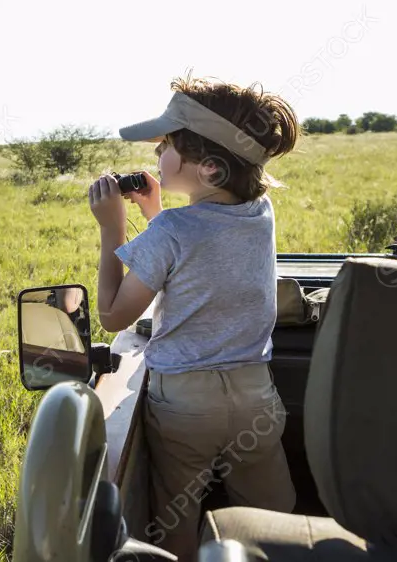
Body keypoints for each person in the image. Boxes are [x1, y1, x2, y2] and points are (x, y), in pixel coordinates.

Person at [87, 75, 299, 559]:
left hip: (184, 404)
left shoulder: (173, 232)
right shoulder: (259, 211)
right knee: (271, 510)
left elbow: (113, 317)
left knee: (174, 514)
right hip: (255, 395)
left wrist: (111, 229)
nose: (158, 153)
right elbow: (205, 248)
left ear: (209, 170)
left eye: (167, 144)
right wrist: (156, 212)